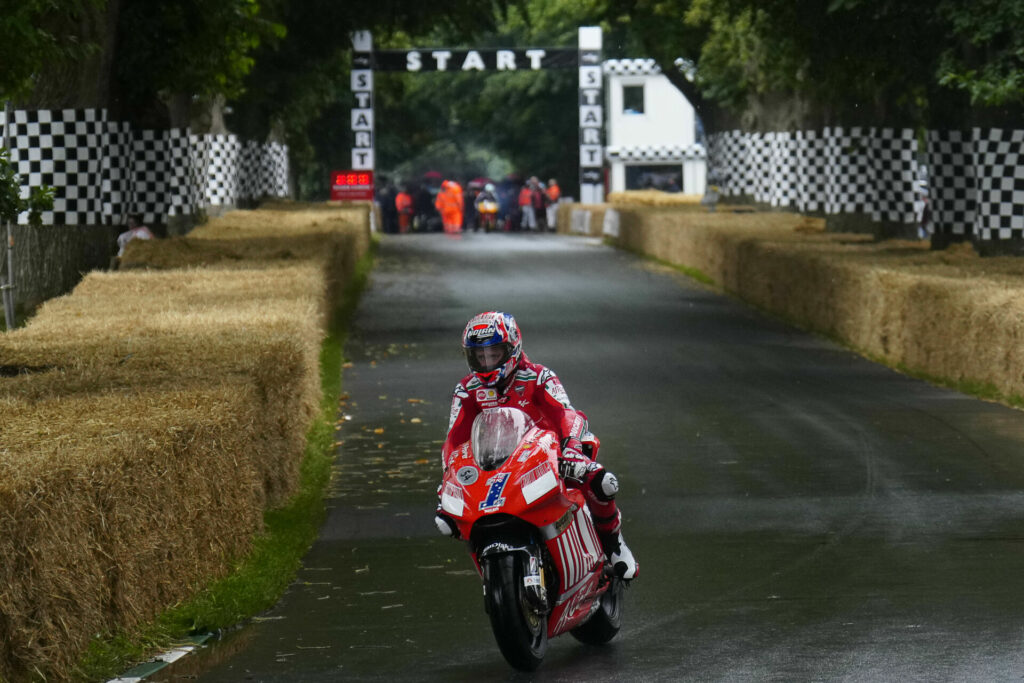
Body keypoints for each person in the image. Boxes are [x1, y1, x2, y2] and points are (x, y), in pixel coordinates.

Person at [435, 311, 639, 580]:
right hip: (497, 465)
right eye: (479, 356)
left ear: (512, 348)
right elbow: (455, 438)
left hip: (549, 455)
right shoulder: (466, 391)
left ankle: (615, 544)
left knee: (602, 481)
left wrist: (571, 450)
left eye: (494, 353)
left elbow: (566, 413)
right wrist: (450, 475)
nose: (486, 362)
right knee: (449, 519)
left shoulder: (540, 376)